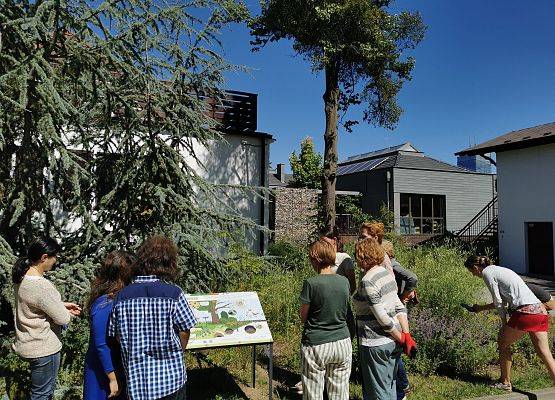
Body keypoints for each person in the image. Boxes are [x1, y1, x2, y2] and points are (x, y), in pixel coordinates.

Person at [108, 236, 197, 400]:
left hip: (137, 384)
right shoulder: (174, 294)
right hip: (171, 380)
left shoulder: (121, 297)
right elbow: (185, 329)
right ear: (168, 263)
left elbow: (117, 335)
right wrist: (178, 350)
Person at [465, 255, 555, 391]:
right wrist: (481, 308)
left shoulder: (486, 273)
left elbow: (498, 301)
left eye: (471, 272)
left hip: (525, 313)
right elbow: (505, 301)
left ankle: (505, 382)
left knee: (502, 342)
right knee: (545, 353)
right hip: (540, 311)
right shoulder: (501, 270)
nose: (473, 275)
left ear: (476, 267)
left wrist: (503, 322)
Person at [12, 237, 82, 400]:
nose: (55, 261)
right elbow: (63, 319)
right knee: (42, 395)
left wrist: (60, 304)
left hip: (28, 343)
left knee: (38, 393)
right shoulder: (41, 286)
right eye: (54, 257)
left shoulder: (22, 277)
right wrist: (65, 312)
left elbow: (32, 304)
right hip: (44, 348)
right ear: (44, 257)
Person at [354, 238, 416, 400]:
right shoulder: (386, 274)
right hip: (392, 343)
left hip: (375, 342)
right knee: (389, 387)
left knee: (379, 393)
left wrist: (402, 338)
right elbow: (399, 306)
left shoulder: (368, 281)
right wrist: (405, 335)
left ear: (361, 256)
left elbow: (382, 318)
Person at [299, 239, 352, 400]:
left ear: (316, 258)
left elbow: (303, 317)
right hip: (342, 342)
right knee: (340, 393)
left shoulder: (311, 283)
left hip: (317, 343)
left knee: (313, 393)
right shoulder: (344, 282)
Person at [84, 251, 134, 400]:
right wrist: (112, 377)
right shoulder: (105, 303)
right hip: (103, 371)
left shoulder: (117, 298)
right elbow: (101, 344)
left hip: (114, 366)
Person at [381, 240, 418, 400]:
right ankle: (402, 386)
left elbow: (412, 278)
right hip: (395, 307)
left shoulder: (393, 265)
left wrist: (402, 297)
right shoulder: (392, 264)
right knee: (396, 350)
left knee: (396, 350)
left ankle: (402, 386)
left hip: (395, 309)